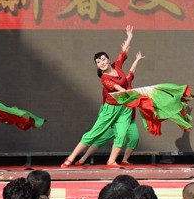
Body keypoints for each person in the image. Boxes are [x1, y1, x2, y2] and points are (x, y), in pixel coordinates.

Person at [61, 26, 143, 168]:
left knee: (121, 135)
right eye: (98, 62)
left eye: (103, 59)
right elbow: (118, 88)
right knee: (94, 134)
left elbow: (123, 52)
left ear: (108, 60)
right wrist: (129, 93)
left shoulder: (117, 66)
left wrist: (129, 36)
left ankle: (111, 161)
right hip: (110, 109)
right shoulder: (104, 78)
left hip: (124, 108)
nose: (101, 63)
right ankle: (71, 158)